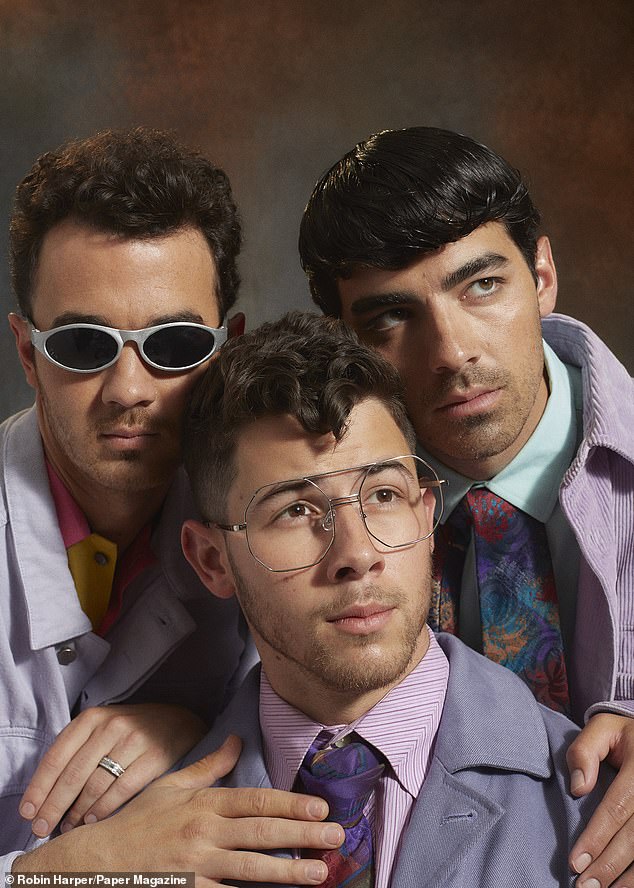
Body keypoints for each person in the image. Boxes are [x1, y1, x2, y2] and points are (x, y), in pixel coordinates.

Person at [298, 126, 634, 887]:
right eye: (390, 318)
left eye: (481, 286)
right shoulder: (288, 517)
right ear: (342, 341)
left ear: (541, 275)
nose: (450, 353)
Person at [2, 129, 337, 882]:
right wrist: (63, 872)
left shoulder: (278, 519)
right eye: (84, 345)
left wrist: (194, 725)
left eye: (175, 344)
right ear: (28, 354)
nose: (129, 390)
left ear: (227, 347)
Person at [176, 311, 613, 886]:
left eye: (383, 494)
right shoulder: (136, 836)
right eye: (295, 510)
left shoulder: (600, 817)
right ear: (213, 561)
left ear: (426, 517)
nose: (357, 553)